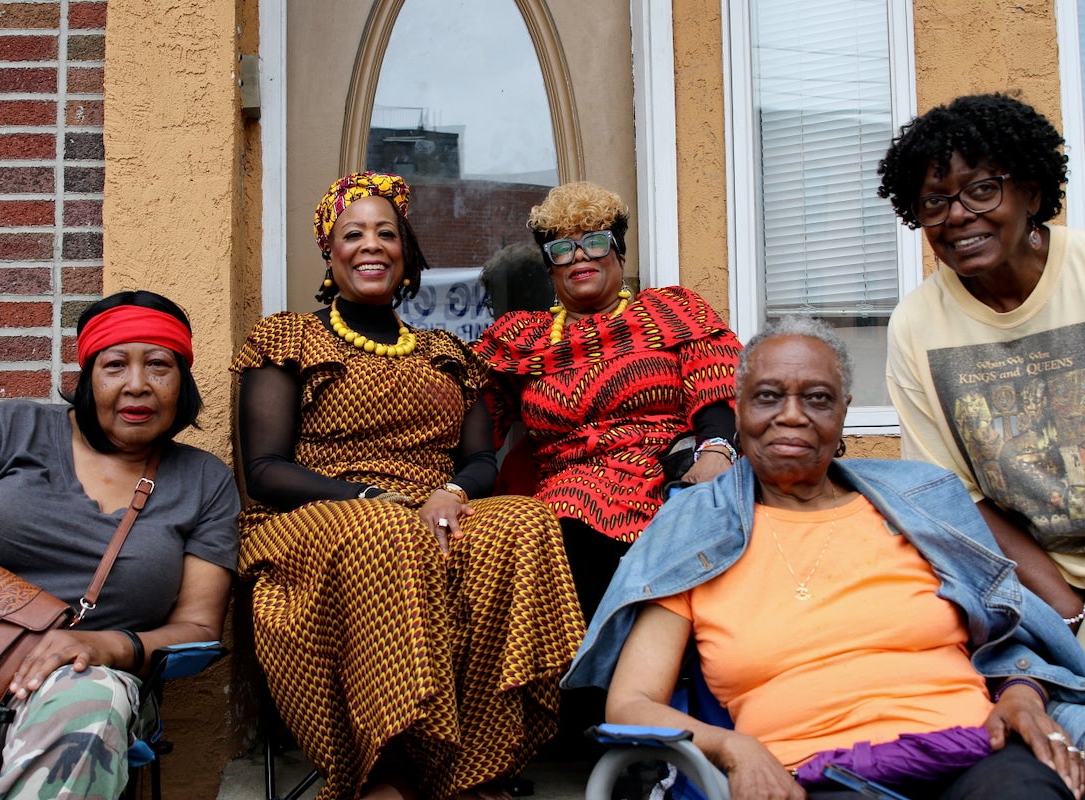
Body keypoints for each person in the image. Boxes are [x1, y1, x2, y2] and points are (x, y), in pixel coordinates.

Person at [565, 316, 1085, 800]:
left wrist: (1020, 693)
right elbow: (632, 703)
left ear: (843, 412)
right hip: (812, 774)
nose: (792, 415)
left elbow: (1008, 635)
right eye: (768, 397)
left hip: (977, 752)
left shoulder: (920, 503)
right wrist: (733, 748)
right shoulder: (692, 532)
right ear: (740, 408)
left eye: (817, 398)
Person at [231, 171, 584, 800]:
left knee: (523, 523)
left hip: (433, 508)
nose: (372, 245)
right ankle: (386, 767)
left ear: (407, 252)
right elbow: (263, 470)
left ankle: (476, 768)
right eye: (353, 233)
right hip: (317, 515)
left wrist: (451, 492)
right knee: (389, 530)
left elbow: (480, 456)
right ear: (329, 251)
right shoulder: (289, 337)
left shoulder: (445, 352)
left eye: (386, 233)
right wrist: (371, 500)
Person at [0, 290, 241, 799]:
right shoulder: (11, 428)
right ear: (88, 377)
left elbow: (199, 628)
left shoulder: (204, 481)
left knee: (87, 713)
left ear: (181, 381)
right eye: (115, 364)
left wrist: (104, 645)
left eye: (159, 365)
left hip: (80, 678)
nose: (137, 385)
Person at [474, 181, 743, 620]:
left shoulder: (669, 311)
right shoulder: (523, 338)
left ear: (618, 253)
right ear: (549, 269)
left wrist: (717, 450)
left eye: (594, 242)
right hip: (564, 485)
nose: (579, 256)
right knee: (546, 529)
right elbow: (472, 415)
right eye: (562, 248)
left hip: (667, 474)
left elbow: (718, 379)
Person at [878, 93, 1085, 637]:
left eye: (982, 190)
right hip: (1028, 585)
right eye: (935, 202)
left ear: (1031, 192)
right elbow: (953, 497)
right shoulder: (917, 326)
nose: (958, 215)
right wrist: (1067, 612)